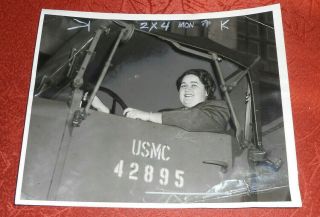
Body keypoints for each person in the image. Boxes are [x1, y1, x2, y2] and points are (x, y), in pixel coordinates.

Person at [123, 69, 230, 133]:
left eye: (194, 85)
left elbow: (193, 119)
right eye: (183, 86)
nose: (187, 89)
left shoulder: (219, 109)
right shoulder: (167, 114)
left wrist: (149, 116)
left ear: (206, 91)